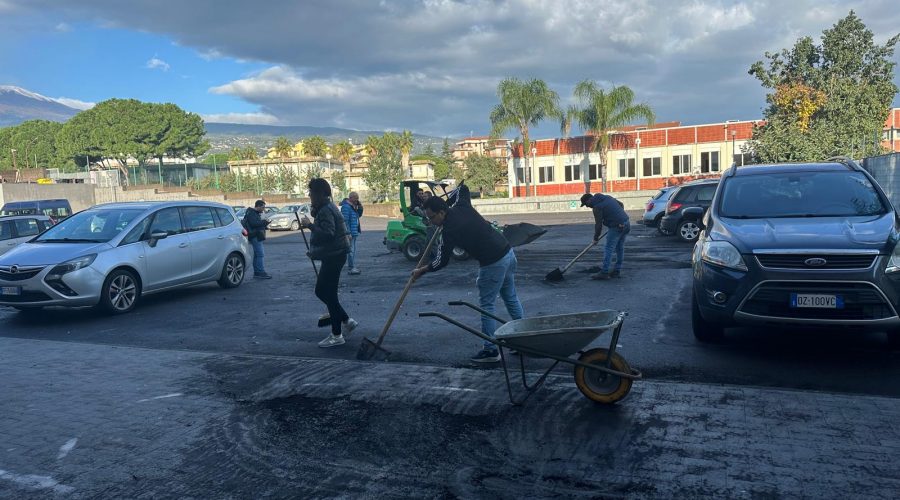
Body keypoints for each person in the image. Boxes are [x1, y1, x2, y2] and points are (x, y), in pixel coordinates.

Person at [412, 182, 524, 363]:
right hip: (508, 253)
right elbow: (462, 189)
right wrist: (443, 200)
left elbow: (441, 262)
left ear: (441, 213)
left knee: (486, 305)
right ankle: (523, 340)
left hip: (493, 262)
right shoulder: (462, 205)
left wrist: (421, 271)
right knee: (510, 297)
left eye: (432, 217)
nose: (431, 221)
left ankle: (490, 350)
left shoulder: (449, 231)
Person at [301, 178, 358, 348]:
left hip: (335, 255)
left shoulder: (325, 210)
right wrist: (314, 252)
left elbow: (328, 233)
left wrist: (310, 226)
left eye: (311, 192)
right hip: (335, 254)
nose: (309, 195)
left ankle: (337, 334)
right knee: (325, 292)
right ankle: (346, 320)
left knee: (325, 293)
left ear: (319, 194)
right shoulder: (327, 207)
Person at [580, 192, 630, 280]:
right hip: (626, 223)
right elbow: (621, 204)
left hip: (617, 226)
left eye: (586, 204)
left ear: (589, 200)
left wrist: (595, 238)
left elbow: (598, 225)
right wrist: (618, 216)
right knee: (619, 248)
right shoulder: (607, 197)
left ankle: (604, 272)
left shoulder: (597, 207)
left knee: (608, 248)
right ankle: (617, 271)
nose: (587, 206)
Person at [243, 200, 272, 279]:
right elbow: (254, 224)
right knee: (260, 254)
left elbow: (256, 223)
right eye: (262, 207)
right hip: (255, 236)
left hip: (256, 235)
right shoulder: (252, 213)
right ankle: (260, 272)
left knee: (257, 254)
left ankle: (257, 272)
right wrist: (265, 222)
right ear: (258, 206)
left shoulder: (254, 213)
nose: (263, 209)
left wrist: (265, 223)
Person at [340, 191, 364, 275]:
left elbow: (358, 215)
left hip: (354, 232)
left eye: (357, 199)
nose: (357, 200)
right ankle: (351, 268)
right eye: (356, 199)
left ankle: (352, 266)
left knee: (352, 250)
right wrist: (348, 233)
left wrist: (360, 206)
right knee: (351, 251)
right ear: (351, 198)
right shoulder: (346, 207)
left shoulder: (353, 206)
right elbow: (345, 221)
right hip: (350, 233)